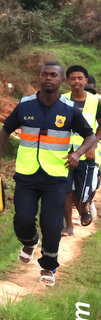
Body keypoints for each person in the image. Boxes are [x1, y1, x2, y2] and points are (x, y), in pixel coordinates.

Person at [0, 62, 97, 287]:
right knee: (23, 219)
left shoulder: (69, 109)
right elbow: (5, 131)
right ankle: (30, 242)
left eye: (53, 75)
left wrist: (77, 153)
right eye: (44, 74)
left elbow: (90, 136)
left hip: (56, 176)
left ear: (61, 81)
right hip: (27, 174)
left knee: (51, 224)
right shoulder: (25, 105)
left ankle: (49, 266)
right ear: (39, 78)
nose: (48, 78)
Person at [61, 65, 100, 235]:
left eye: (80, 78)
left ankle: (83, 208)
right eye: (73, 78)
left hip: (87, 153)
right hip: (64, 152)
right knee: (66, 189)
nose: (76, 82)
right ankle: (68, 225)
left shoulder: (96, 101)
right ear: (68, 81)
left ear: (86, 80)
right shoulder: (61, 100)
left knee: (85, 189)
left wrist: (93, 144)